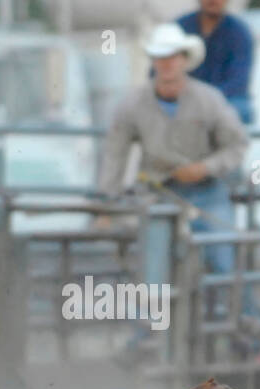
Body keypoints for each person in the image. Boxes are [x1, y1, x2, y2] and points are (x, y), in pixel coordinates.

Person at [97, 23, 249, 279]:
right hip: (157, 195)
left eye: (172, 56)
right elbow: (115, 154)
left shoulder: (209, 99)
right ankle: (151, 317)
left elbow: (237, 144)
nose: (166, 63)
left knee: (225, 261)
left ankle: (239, 313)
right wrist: (107, 204)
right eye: (160, 57)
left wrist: (204, 168)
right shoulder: (132, 103)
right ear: (153, 61)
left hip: (207, 194)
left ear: (184, 60)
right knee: (153, 269)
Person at [178, 0, 255, 125]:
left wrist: (205, 100)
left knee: (239, 109)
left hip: (225, 99)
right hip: (184, 97)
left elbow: (238, 83)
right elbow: (159, 72)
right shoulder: (180, 27)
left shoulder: (240, 33)